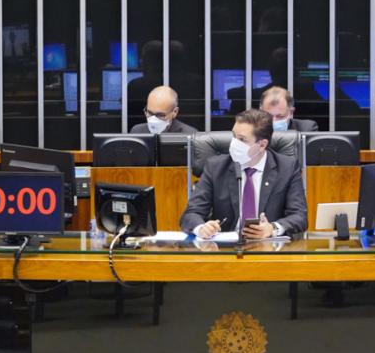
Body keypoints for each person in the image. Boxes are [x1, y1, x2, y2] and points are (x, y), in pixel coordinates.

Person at [180, 108, 307, 239]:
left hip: (269, 248)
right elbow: (191, 214)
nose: (234, 143)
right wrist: (201, 228)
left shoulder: (287, 167)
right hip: (226, 249)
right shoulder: (216, 167)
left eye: (242, 139)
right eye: (234, 136)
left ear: (262, 145)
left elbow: (299, 217)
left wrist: (272, 228)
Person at [129, 86, 199, 135]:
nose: (153, 119)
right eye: (149, 113)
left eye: (160, 115)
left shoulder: (189, 135)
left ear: (175, 112)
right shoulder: (137, 131)